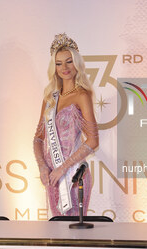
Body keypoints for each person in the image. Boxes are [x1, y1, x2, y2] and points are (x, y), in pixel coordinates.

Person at [33, 33, 99, 216]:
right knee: (56, 233)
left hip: (74, 176)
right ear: (54, 67)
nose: (64, 67)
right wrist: (42, 166)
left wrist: (63, 167)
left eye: (69, 61)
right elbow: (38, 138)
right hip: (53, 178)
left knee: (74, 235)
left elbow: (93, 141)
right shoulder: (49, 98)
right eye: (59, 63)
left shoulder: (82, 95)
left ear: (76, 63)